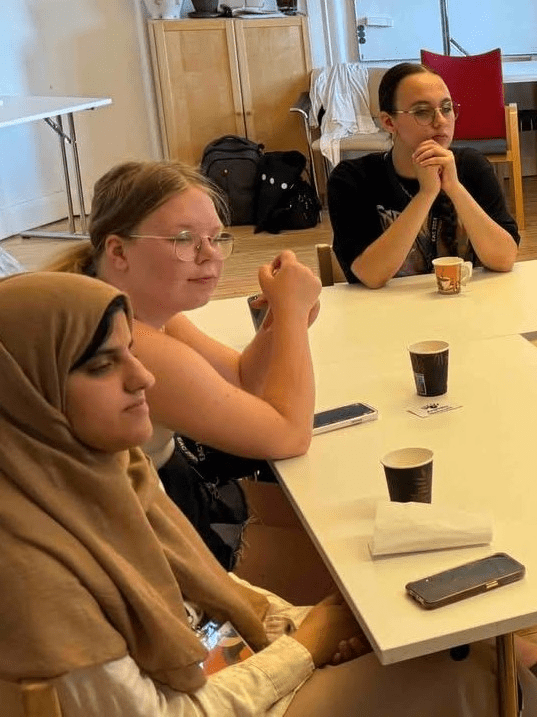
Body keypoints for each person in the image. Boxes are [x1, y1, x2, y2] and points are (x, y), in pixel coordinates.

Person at [2, 270, 537, 717]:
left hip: (223, 666)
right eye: (102, 366)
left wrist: (299, 629)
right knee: (475, 664)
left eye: (130, 352)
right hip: (220, 699)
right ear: (27, 394)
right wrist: (306, 645)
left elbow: (204, 605)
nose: (142, 376)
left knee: (477, 644)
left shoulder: (102, 476)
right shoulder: (38, 577)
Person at [44, 160, 323, 577]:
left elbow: (243, 381)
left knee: (322, 524)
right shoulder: (130, 345)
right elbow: (288, 434)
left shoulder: (130, 306)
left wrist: (284, 322)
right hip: (125, 546)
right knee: (340, 568)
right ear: (118, 250)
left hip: (159, 497)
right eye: (184, 239)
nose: (209, 255)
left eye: (214, 238)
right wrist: (291, 313)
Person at [328, 62, 520, 289]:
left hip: (467, 312)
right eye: (422, 112)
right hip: (387, 315)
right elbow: (370, 275)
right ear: (389, 122)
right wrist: (426, 194)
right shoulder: (352, 178)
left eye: (446, 108)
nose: (440, 121)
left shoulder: (471, 166)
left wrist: (455, 188)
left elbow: (504, 259)